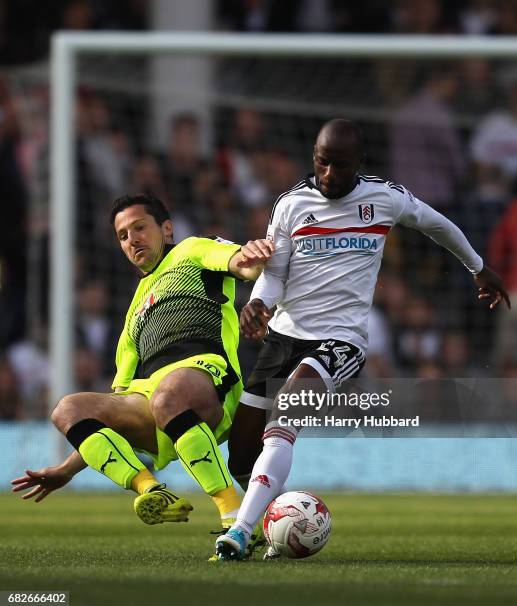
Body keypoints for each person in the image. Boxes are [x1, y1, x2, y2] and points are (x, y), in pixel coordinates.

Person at [215, 118, 510, 560]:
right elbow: (274, 275)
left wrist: (478, 267)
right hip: (283, 339)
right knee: (241, 450)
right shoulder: (292, 205)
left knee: (286, 416)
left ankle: (238, 532)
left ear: (360, 163)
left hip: (340, 341)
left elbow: (438, 225)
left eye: (340, 165)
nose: (329, 174)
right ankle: (282, 525)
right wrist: (259, 305)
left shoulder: (384, 197)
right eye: (322, 162)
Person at [12, 193, 273, 535]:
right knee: (68, 408)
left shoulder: (191, 249)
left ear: (166, 229)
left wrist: (252, 255)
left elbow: (240, 263)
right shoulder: (134, 310)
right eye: (123, 235)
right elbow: (114, 416)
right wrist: (67, 470)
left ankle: (233, 517)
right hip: (154, 401)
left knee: (169, 395)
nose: (132, 239)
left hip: (206, 378)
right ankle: (152, 490)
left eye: (139, 227)